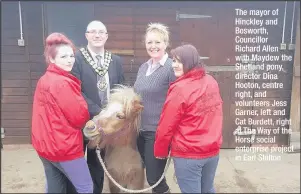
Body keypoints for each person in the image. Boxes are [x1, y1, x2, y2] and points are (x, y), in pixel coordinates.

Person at [154, 44, 223, 193]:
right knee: (208, 190)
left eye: (180, 61)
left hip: (189, 154)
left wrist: (160, 151)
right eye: (173, 61)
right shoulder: (211, 81)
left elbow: (166, 126)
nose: (175, 65)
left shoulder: (180, 88)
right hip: (212, 152)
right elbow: (217, 115)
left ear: (191, 62)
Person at [67, 20, 125, 194]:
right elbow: (75, 90)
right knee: (75, 165)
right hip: (81, 121)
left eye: (101, 32)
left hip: (105, 125)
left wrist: (112, 113)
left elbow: (119, 87)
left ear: (106, 36)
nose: (97, 35)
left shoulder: (115, 60)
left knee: (98, 165)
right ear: (86, 35)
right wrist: (98, 112)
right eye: (93, 32)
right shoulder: (76, 58)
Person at [31, 32, 93, 193]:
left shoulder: (44, 79)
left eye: (71, 56)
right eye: (64, 56)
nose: (69, 60)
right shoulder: (63, 83)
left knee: (55, 187)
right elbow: (79, 117)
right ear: (52, 59)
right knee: (85, 187)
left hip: (44, 146)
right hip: (65, 147)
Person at [134, 23, 176, 193]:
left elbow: (177, 102)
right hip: (139, 130)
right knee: (146, 173)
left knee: (154, 179)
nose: (153, 46)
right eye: (149, 42)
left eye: (157, 42)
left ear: (166, 43)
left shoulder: (171, 68)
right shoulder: (144, 67)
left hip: (157, 132)